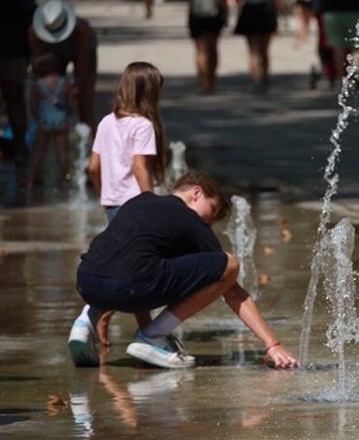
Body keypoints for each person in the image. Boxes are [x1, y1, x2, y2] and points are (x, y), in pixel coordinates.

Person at [68, 170, 299, 370]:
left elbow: (127, 261)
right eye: (213, 208)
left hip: (86, 281)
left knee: (125, 263)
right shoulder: (191, 220)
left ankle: (83, 325)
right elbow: (232, 290)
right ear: (196, 192)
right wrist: (272, 344)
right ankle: (154, 336)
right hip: (130, 286)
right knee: (229, 265)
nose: (210, 221)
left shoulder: (139, 201)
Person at [86, 61, 169, 345]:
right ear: (149, 93)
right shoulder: (143, 125)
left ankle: (131, 326)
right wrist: (151, 203)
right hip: (136, 205)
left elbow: (93, 167)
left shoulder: (107, 122)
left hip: (113, 205)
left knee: (132, 269)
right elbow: (140, 168)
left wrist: (105, 194)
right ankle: (147, 333)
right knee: (142, 271)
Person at [29, 0, 98, 135]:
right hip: (51, 55)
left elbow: (82, 69)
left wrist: (74, 91)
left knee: (85, 103)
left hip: (80, 50)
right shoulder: (34, 32)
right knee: (47, 100)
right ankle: (49, 142)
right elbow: (38, 69)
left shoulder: (82, 31)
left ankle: (96, 147)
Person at [27, 53, 72, 191]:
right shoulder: (64, 83)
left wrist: (37, 118)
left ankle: (31, 181)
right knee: (62, 152)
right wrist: (67, 115)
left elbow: (32, 105)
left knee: (39, 152)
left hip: (45, 120)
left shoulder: (38, 85)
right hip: (61, 119)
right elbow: (71, 105)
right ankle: (64, 181)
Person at [0, 0, 36, 167]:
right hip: (15, 50)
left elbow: (29, 19)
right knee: (16, 101)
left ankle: (21, 148)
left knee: (15, 100)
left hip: (14, 51)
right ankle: (20, 149)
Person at [234, 0, 283, 92]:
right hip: (266, 9)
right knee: (264, 49)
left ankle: (256, 78)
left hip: (249, 9)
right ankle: (264, 76)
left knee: (253, 50)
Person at [188, 0, 228, 94]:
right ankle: (210, 81)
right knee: (212, 49)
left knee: (200, 51)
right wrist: (225, 12)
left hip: (196, 13)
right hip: (213, 14)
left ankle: (203, 81)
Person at [317, 0, 359, 82]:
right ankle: (358, 77)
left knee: (338, 48)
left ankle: (341, 79)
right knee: (356, 47)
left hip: (332, 12)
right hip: (354, 11)